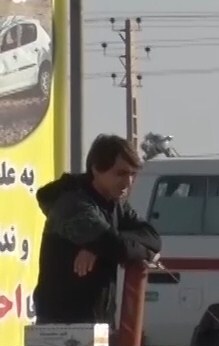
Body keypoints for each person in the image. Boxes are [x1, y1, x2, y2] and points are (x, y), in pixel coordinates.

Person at [35, 134, 161, 325]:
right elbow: (119, 248)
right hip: (62, 325)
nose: (128, 183)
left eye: (132, 174)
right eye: (120, 173)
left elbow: (152, 238)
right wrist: (108, 245)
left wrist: (96, 247)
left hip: (97, 321)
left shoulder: (114, 203)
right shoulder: (73, 203)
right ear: (96, 169)